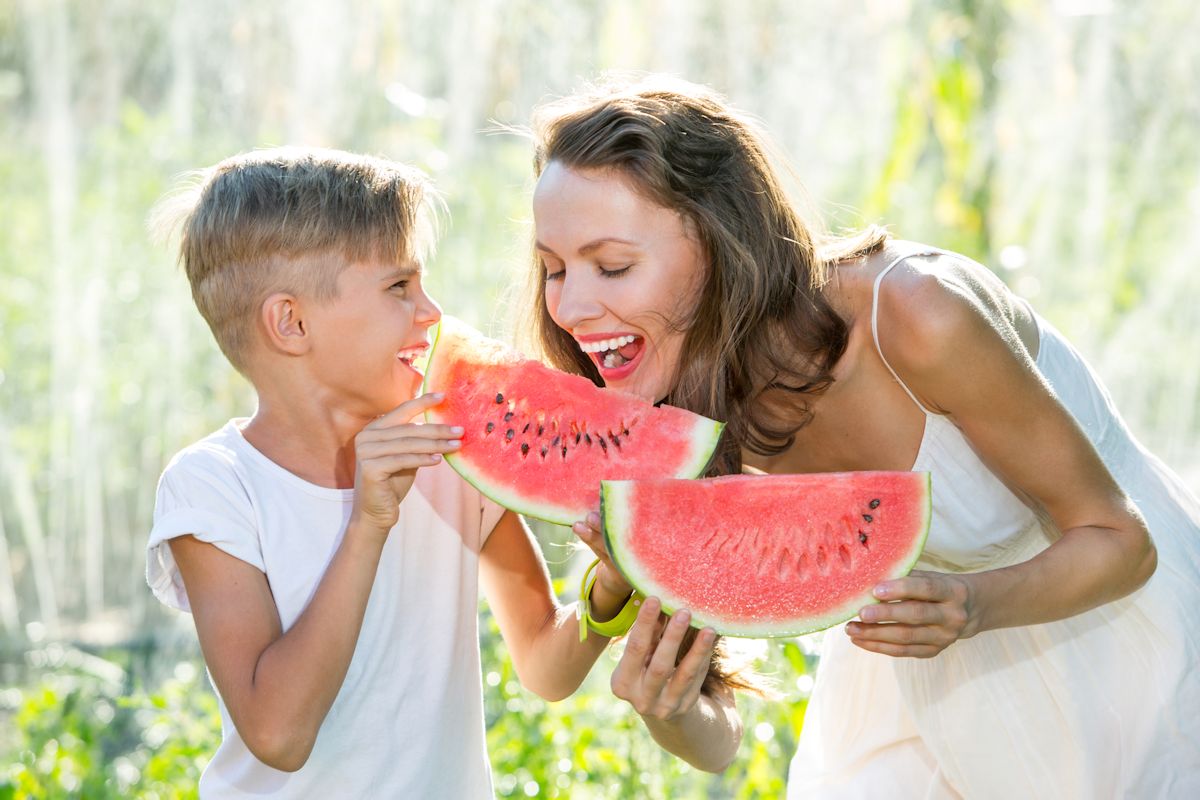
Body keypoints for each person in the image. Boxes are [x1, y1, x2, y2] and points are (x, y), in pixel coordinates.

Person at [520, 75, 1200, 797]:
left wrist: (974, 605)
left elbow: (1124, 543)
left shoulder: (918, 316)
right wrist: (672, 707)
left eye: (613, 265)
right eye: (553, 269)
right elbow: (717, 745)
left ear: (721, 240)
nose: (570, 307)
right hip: (917, 688)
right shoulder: (678, 409)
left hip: (1122, 650)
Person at [144, 147, 630, 798]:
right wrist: (369, 521)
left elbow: (545, 666)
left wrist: (608, 592)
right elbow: (279, 735)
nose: (432, 312)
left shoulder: (452, 455)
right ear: (291, 323)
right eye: (399, 288)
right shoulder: (214, 488)